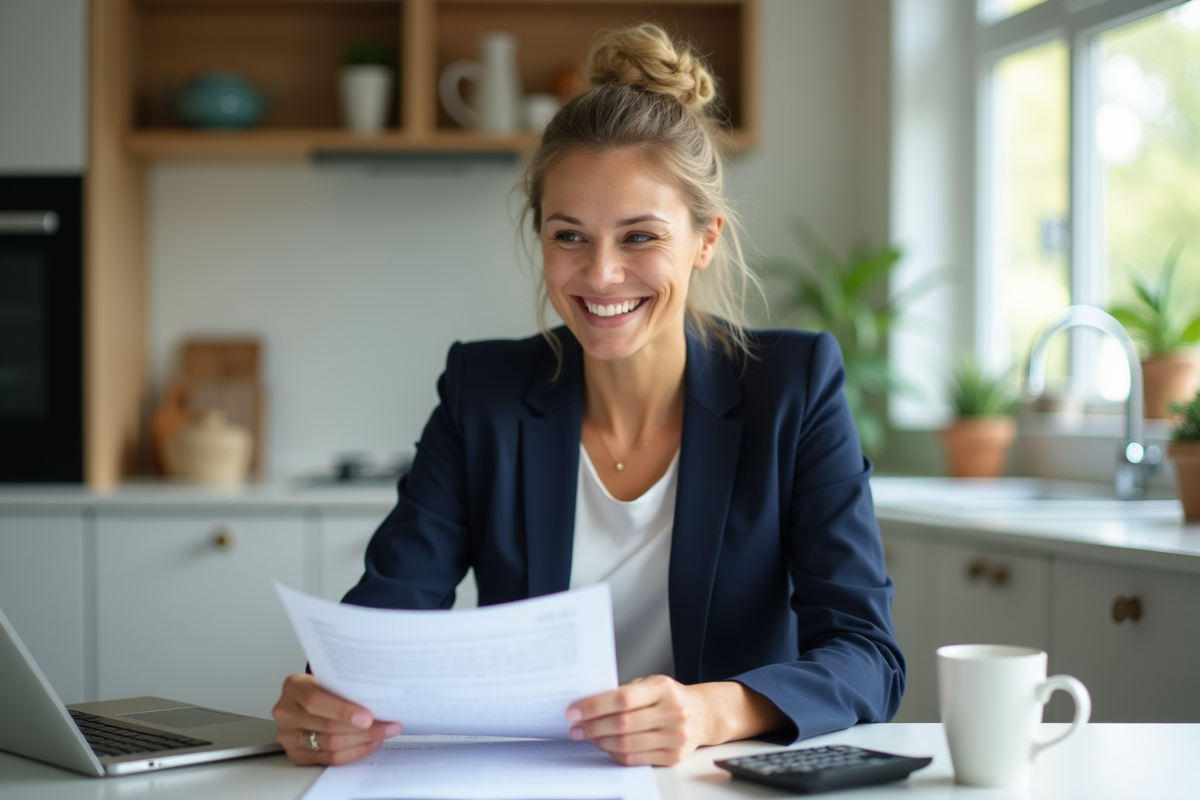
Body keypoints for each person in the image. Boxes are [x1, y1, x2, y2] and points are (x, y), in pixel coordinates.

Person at [272, 22, 904, 768]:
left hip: (717, 781)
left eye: (639, 238)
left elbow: (867, 654)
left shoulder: (791, 386)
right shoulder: (485, 393)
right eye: (569, 236)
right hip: (533, 778)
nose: (600, 275)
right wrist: (327, 699)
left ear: (705, 240)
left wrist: (708, 710)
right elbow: (385, 620)